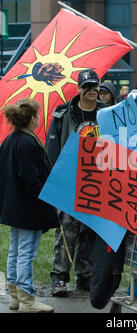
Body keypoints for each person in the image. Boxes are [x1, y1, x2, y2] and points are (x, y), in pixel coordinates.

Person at [45, 69, 107, 297]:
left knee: (90, 232)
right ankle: (59, 277)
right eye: (87, 87)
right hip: (70, 182)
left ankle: (86, 276)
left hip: (98, 183)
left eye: (95, 87)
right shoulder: (64, 115)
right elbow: (52, 151)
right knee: (67, 231)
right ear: (79, 89)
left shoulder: (107, 113)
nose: (92, 91)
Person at [0, 98, 59, 312]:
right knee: (25, 252)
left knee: (15, 251)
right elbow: (31, 179)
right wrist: (44, 202)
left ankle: (16, 295)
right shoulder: (27, 142)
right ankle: (27, 299)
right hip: (28, 209)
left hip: (15, 207)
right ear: (32, 118)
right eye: (38, 115)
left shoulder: (10, 140)